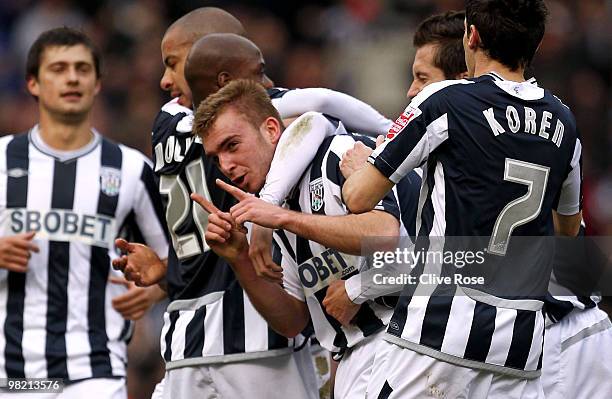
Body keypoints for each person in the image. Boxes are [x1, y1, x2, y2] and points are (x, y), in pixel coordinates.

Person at [111, 8, 395, 399]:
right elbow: (319, 112)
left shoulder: (166, 125)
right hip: (253, 335)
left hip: (196, 335)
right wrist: (395, 135)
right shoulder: (239, 120)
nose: (164, 79)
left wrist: (167, 271)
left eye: (171, 64)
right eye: (258, 74)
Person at [341, 1, 583, 397]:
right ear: (534, 46)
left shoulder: (445, 100)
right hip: (518, 342)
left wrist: (359, 171)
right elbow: (568, 230)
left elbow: (358, 198)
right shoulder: (565, 121)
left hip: (439, 328)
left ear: (471, 36)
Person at [190, 79, 406, 398]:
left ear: (272, 130)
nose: (225, 165)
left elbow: (386, 233)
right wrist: (239, 258)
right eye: (216, 157)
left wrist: (285, 219)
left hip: (401, 341)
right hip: (351, 358)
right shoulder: (277, 204)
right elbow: (292, 320)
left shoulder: (341, 155)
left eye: (232, 145)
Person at [0, 27, 168, 398]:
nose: (72, 77)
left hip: (97, 369)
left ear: (96, 84)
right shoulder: (1, 160)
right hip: (13, 374)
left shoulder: (131, 169)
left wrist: (157, 289)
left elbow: (174, 258)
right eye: (58, 68)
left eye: (82, 68)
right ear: (32, 83)